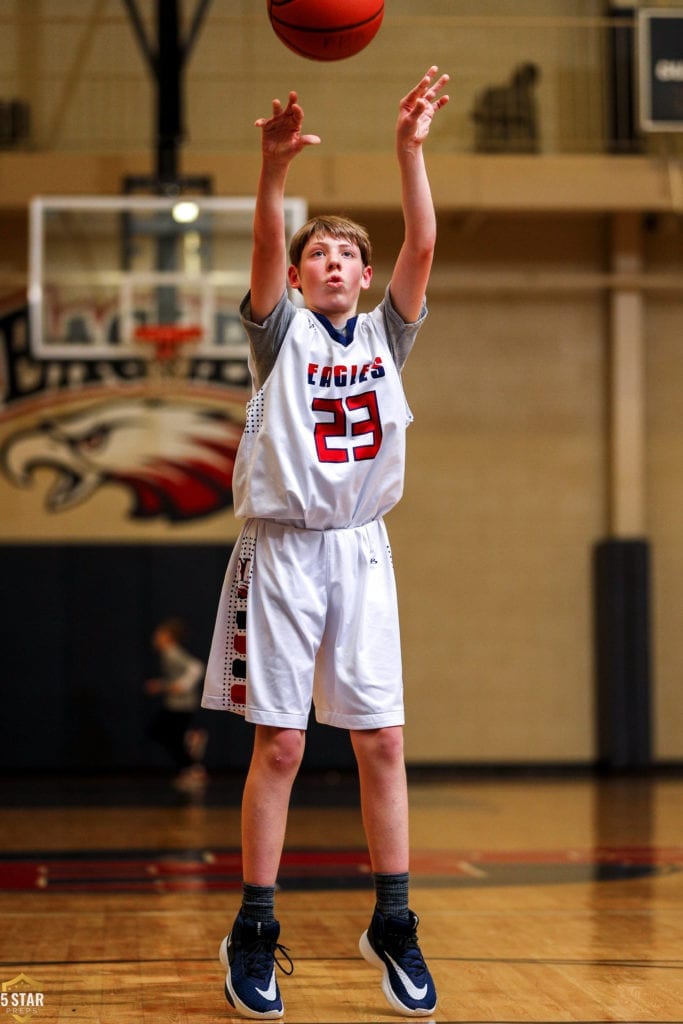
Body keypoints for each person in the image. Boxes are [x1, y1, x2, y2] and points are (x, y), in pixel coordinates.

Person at [201, 66, 449, 1019]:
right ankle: (254, 929)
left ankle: (392, 921)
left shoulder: (389, 335)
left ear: (365, 271)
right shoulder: (279, 337)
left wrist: (408, 150)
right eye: (321, 253)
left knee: (383, 741)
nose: (336, 261)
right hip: (282, 550)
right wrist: (271, 173)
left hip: (360, 549)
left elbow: (423, 241)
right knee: (281, 748)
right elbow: (269, 237)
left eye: (350, 252)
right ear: (300, 277)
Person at [144, 618, 208, 792]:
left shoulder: (171, 653)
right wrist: (162, 685)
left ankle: (192, 764)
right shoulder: (168, 654)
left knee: (161, 732)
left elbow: (196, 667)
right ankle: (190, 758)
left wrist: (182, 685)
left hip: (182, 705)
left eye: (159, 634)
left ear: (169, 637)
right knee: (166, 734)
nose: (155, 637)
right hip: (178, 703)